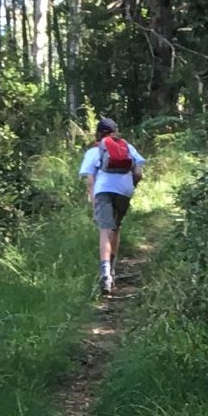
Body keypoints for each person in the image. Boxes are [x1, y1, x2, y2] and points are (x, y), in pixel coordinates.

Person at [80, 115, 146, 296]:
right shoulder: (127, 147)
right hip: (124, 191)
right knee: (115, 228)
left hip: (104, 190)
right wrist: (129, 188)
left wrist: (94, 202)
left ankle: (105, 274)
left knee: (105, 229)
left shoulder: (94, 151)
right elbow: (139, 173)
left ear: (98, 134)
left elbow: (91, 181)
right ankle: (113, 268)